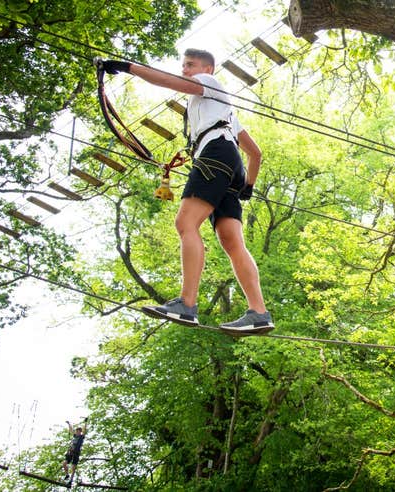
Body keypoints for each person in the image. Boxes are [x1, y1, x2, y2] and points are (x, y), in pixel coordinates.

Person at [99, 50, 274, 334]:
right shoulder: (224, 113)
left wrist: (127, 67)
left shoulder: (209, 83)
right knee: (232, 241)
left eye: (190, 65)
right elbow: (254, 153)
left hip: (215, 155)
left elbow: (168, 82)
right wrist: (248, 186)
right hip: (232, 163)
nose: (185, 70)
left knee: (186, 223)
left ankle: (187, 304)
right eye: (183, 66)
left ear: (208, 68)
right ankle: (259, 312)